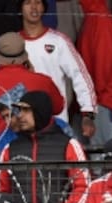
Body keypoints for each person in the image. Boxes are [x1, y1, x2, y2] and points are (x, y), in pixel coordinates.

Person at [19, 0, 96, 137]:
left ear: (44, 7)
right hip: (22, 124)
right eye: (28, 3)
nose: (34, 7)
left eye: (38, 2)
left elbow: (79, 75)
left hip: (56, 122)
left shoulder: (59, 41)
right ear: (20, 8)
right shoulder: (14, 43)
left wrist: (87, 112)